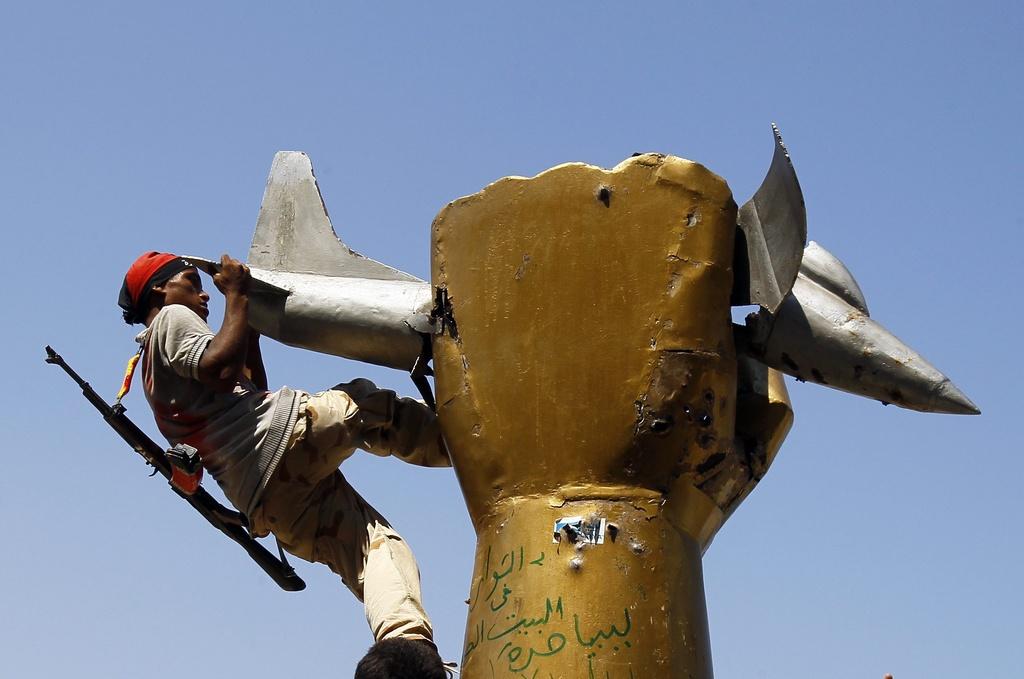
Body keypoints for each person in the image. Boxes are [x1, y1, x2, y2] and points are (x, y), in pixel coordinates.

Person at [118, 251, 449, 676]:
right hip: (281, 441)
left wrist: (248, 327)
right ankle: (469, 445)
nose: (203, 294)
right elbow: (219, 370)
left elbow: (246, 389)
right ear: (160, 290)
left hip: (267, 499)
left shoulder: (154, 369)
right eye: (190, 281)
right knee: (362, 404)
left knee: (371, 546)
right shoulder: (170, 320)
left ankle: (404, 651)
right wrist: (235, 295)